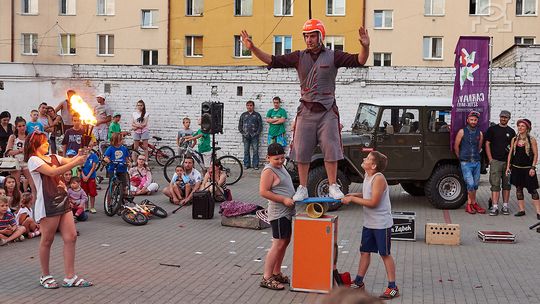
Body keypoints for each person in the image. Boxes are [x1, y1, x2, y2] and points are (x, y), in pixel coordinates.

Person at [241, 19, 370, 200]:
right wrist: (252, 48)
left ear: (320, 36)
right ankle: (302, 187)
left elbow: (360, 60)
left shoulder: (334, 56)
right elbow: (272, 60)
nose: (308, 40)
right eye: (306, 36)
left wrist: (366, 46)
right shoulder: (298, 56)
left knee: (331, 148)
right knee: (301, 150)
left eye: (312, 36)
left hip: (327, 110)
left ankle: (333, 185)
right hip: (306, 110)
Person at [24, 130, 92, 288]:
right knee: (47, 240)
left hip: (62, 200)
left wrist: (81, 154)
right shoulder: (33, 160)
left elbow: (70, 160)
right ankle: (45, 276)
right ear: (36, 144)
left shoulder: (53, 157)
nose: (47, 143)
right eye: (44, 142)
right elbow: (53, 172)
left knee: (71, 237)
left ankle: (70, 277)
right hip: (48, 204)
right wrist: (75, 162)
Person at [341, 151, 399, 300]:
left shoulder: (378, 178)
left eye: (367, 159)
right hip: (369, 223)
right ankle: (359, 282)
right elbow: (368, 194)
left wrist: (353, 200)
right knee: (364, 252)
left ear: (373, 165)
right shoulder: (368, 176)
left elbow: (373, 202)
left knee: (385, 254)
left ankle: (393, 287)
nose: (363, 159)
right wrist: (353, 195)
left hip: (381, 224)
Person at [259, 143, 296, 291]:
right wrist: (283, 200)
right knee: (278, 243)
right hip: (278, 213)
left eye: (282, 158)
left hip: (287, 212)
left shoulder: (281, 167)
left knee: (285, 241)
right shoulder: (268, 171)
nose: (280, 161)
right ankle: (267, 277)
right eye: (276, 159)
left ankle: (276, 272)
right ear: (268, 158)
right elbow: (263, 192)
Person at [506, 119, 540, 218]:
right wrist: (508, 166)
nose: (520, 128)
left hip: (528, 169)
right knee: (519, 189)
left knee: (533, 190)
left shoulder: (531, 140)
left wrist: (533, 167)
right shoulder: (514, 139)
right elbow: (510, 154)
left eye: (522, 126)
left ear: (527, 128)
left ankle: (538, 212)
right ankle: (522, 210)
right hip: (516, 168)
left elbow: (536, 155)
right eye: (519, 126)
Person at [454, 111, 486, 214]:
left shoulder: (480, 133)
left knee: (475, 185)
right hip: (466, 162)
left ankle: (474, 203)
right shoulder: (462, 132)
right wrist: (461, 158)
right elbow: (456, 146)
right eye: (471, 119)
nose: (473, 121)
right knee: (470, 184)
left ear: (477, 121)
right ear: (467, 120)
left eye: (475, 120)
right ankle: (469, 204)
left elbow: (479, 147)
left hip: (476, 162)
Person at [485, 110, 516, 216]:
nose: (503, 119)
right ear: (499, 117)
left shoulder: (511, 132)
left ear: (509, 119)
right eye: (502, 117)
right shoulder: (492, 129)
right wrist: (490, 159)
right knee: (495, 185)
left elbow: (513, 148)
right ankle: (494, 207)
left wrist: (511, 163)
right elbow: (487, 144)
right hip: (496, 162)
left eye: (506, 117)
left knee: (507, 185)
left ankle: (505, 206)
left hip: (507, 163)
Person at [5, 116, 35, 194]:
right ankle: (17, 202)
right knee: (16, 184)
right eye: (19, 126)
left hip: (26, 161)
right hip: (16, 162)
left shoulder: (30, 136)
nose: (22, 128)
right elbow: (8, 152)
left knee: (33, 182)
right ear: (16, 127)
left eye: (23, 125)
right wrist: (19, 151)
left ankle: (33, 201)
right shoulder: (13, 137)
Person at [239, 100, 263, 169]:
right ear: (246, 106)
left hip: (254, 136)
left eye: (251, 105)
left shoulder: (257, 115)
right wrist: (243, 133)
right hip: (245, 136)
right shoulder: (243, 115)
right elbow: (240, 126)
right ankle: (246, 164)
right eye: (248, 105)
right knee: (246, 151)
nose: (249, 107)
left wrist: (256, 133)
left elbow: (260, 126)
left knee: (255, 151)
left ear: (253, 106)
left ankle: (255, 165)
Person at [81, 140, 99, 214]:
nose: (88, 148)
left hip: (91, 177)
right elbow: (80, 167)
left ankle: (92, 207)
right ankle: (86, 207)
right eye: (87, 146)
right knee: (84, 192)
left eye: (90, 146)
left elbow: (93, 167)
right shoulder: (81, 156)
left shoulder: (94, 156)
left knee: (92, 192)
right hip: (83, 177)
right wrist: (83, 176)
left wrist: (88, 176)